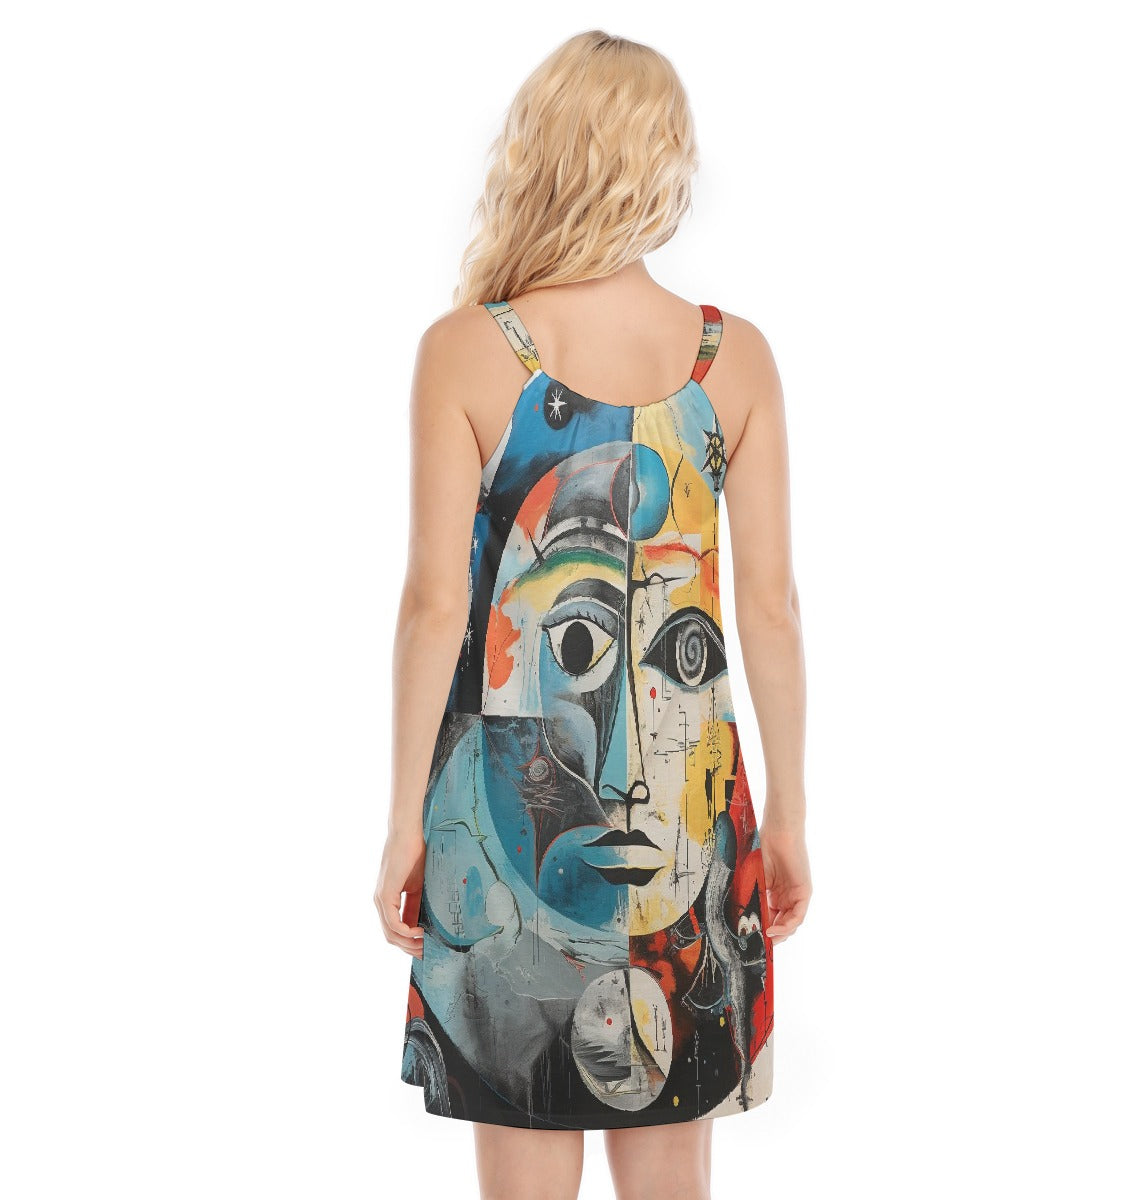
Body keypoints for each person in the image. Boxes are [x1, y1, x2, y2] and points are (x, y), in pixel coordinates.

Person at [374, 29, 812, 1200]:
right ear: (663, 163)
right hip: (686, 813)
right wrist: (789, 812)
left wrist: (406, 820)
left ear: (539, 155)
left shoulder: (468, 353)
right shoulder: (734, 360)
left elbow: (434, 607)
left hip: (512, 820)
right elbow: (769, 610)